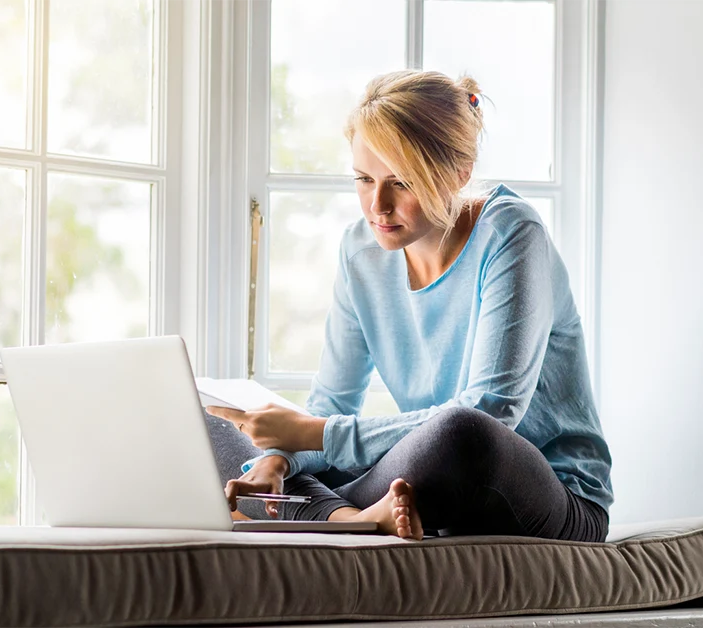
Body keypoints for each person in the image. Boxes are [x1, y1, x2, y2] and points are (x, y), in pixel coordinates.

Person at [205, 70, 613, 542]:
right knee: (213, 424)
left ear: (459, 172)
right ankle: (352, 519)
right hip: (413, 486)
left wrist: (310, 437)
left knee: (463, 431)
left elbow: (492, 410)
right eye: (363, 178)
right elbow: (333, 404)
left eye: (401, 183)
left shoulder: (512, 234)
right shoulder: (361, 251)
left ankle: (314, 511)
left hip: (543, 492)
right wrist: (278, 460)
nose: (377, 205)